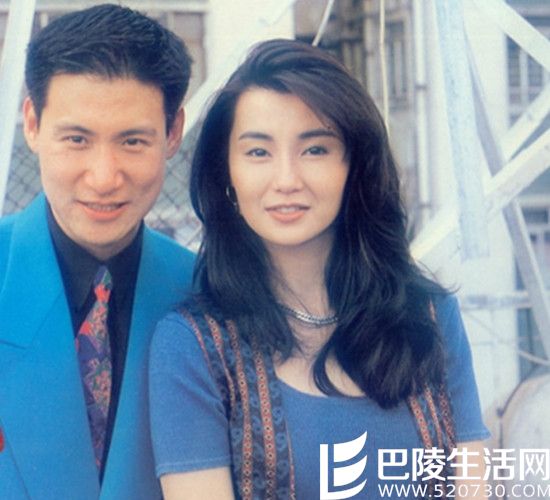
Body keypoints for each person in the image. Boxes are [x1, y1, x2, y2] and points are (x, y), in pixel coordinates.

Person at [149, 39, 490, 499]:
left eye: (315, 150)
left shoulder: (428, 315)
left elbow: (472, 486)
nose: (287, 180)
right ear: (225, 173)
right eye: (258, 152)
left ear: (355, 166)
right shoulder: (192, 346)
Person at [0, 4, 195, 499]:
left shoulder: (207, 293)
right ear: (32, 123)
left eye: (133, 141)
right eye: (77, 139)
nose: (104, 177)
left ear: (173, 133)